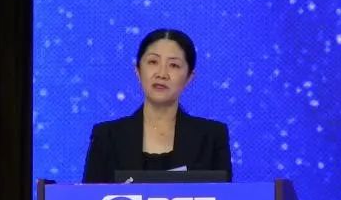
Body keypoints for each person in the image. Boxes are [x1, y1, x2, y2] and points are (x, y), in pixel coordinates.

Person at [82, 28, 232, 183]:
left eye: (174, 65)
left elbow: (223, 197)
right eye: (153, 62)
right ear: (138, 70)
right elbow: (90, 197)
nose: (161, 74)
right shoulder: (107, 137)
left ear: (189, 78)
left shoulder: (212, 138)